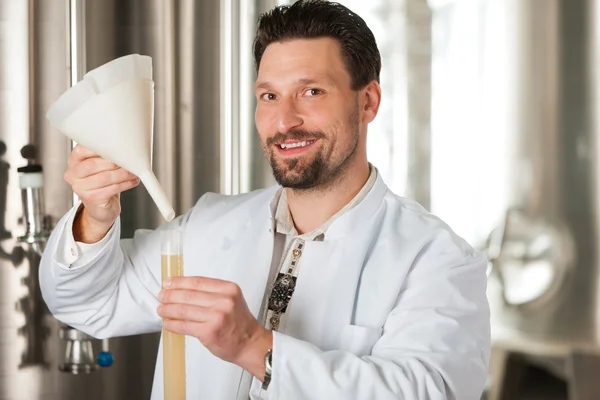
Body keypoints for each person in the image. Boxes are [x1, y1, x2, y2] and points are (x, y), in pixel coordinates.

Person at [39, 1, 490, 399]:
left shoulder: (435, 260)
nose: (284, 120)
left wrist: (257, 348)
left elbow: (430, 391)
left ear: (367, 101)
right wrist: (95, 217)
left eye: (311, 91)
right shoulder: (207, 228)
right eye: (269, 96)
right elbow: (88, 303)